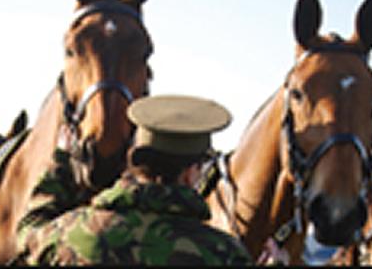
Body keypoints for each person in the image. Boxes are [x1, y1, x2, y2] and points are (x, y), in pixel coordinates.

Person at [13, 94, 254, 265]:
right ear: (191, 173)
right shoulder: (223, 252)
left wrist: (61, 162)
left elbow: (29, 231)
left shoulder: (73, 234)